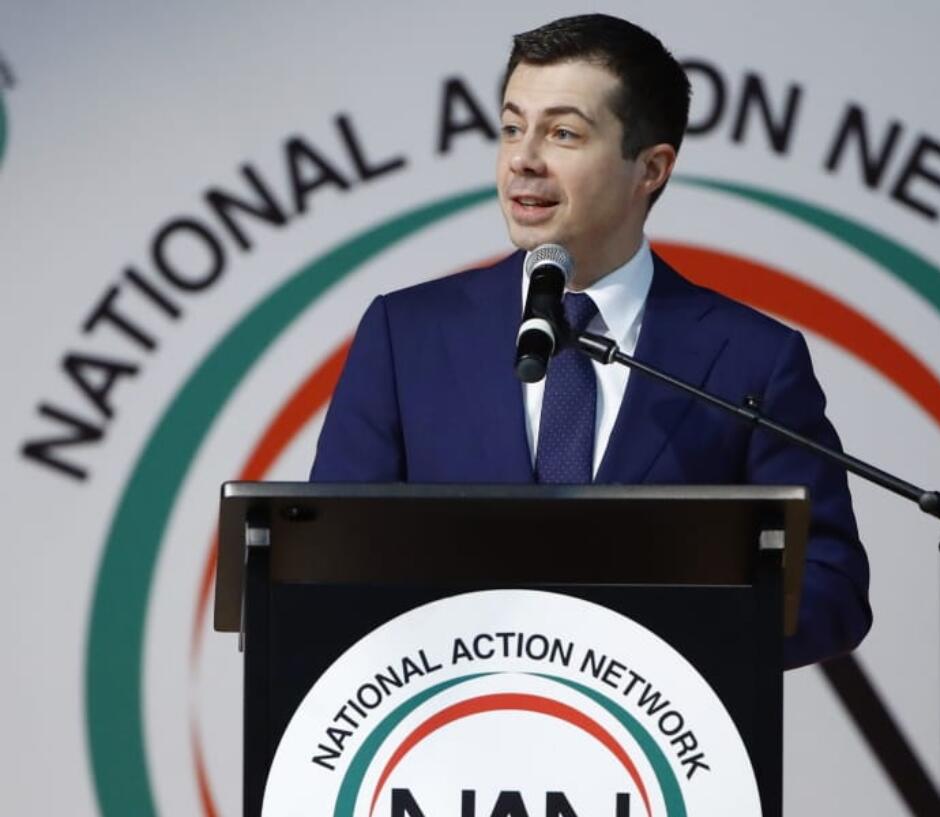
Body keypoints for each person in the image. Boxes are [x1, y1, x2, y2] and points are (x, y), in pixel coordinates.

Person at [310, 13, 870, 668]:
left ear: (651, 168)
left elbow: (831, 586)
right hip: (443, 746)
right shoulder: (407, 336)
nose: (523, 158)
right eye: (513, 127)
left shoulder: (752, 357)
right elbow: (327, 564)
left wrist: (647, 644)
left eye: (563, 133)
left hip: (663, 754)